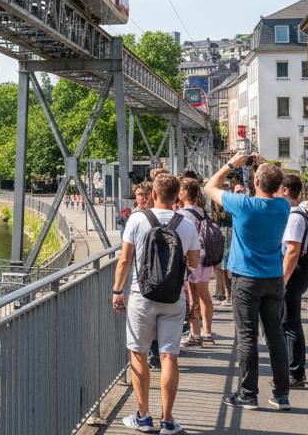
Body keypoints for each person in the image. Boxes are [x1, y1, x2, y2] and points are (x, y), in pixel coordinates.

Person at [112, 173, 200, 435]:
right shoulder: (186, 224)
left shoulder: (137, 219)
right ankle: (168, 420)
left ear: (153, 195)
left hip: (142, 295)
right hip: (174, 297)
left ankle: (143, 416)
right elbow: (194, 263)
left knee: (138, 353)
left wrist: (118, 290)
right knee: (168, 356)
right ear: (177, 197)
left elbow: (125, 260)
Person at [205, 153, 292, 411]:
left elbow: (210, 186)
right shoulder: (283, 206)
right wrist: (265, 165)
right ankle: (281, 393)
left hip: (246, 279)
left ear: (255, 182)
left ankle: (248, 393)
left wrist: (232, 164)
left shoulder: (243, 205)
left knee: (247, 336)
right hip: (274, 278)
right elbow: (273, 186)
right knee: (275, 335)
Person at [279, 174, 308, 388]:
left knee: (290, 322)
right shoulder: (300, 213)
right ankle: (293, 369)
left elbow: (292, 251)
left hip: (292, 272)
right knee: (288, 321)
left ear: (285, 191)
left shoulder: (294, 216)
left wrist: (281, 280)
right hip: (296, 271)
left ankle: (295, 372)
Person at [178, 178, 215, 346]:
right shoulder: (201, 211)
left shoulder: (184, 214)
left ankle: (195, 333)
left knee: (192, 296)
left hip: (192, 258)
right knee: (205, 295)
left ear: (185, 192)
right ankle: (207, 331)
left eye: (180, 190)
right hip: (205, 257)